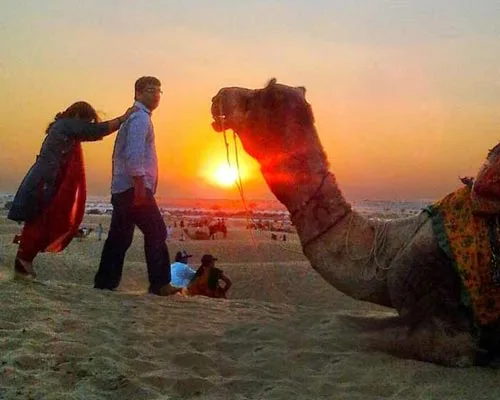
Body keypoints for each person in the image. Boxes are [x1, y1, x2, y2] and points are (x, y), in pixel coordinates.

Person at [8, 101, 136, 278]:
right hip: (45, 180)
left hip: (47, 179)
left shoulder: (64, 127)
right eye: (85, 121)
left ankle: (24, 261)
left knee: (42, 220)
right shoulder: (66, 125)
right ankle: (23, 261)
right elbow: (95, 131)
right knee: (38, 221)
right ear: (77, 117)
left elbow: (91, 133)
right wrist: (123, 118)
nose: (85, 126)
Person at [94, 76, 179, 296]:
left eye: (159, 91)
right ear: (138, 93)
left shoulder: (137, 117)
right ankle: (160, 283)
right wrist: (141, 184)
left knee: (120, 238)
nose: (156, 95)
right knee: (156, 231)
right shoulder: (140, 118)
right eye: (151, 90)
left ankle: (105, 283)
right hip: (133, 187)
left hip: (124, 187)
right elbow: (134, 154)